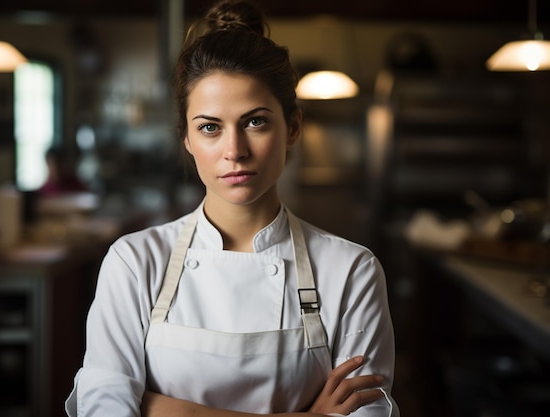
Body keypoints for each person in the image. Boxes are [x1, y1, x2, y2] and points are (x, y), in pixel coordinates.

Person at [65, 1, 399, 416]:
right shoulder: (134, 263)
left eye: (255, 122)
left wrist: (161, 408)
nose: (235, 151)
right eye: (209, 127)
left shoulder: (351, 270)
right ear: (186, 138)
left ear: (292, 127)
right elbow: (104, 408)